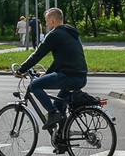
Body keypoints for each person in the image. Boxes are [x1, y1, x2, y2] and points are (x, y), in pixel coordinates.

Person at [15, 8, 88, 138]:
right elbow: (61, 59)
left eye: (47, 21)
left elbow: (37, 55)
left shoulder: (55, 34)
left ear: (53, 20)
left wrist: (21, 70)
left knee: (34, 86)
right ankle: (62, 137)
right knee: (59, 104)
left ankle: (53, 113)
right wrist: (47, 73)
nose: (47, 24)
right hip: (81, 77)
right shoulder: (71, 32)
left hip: (68, 76)